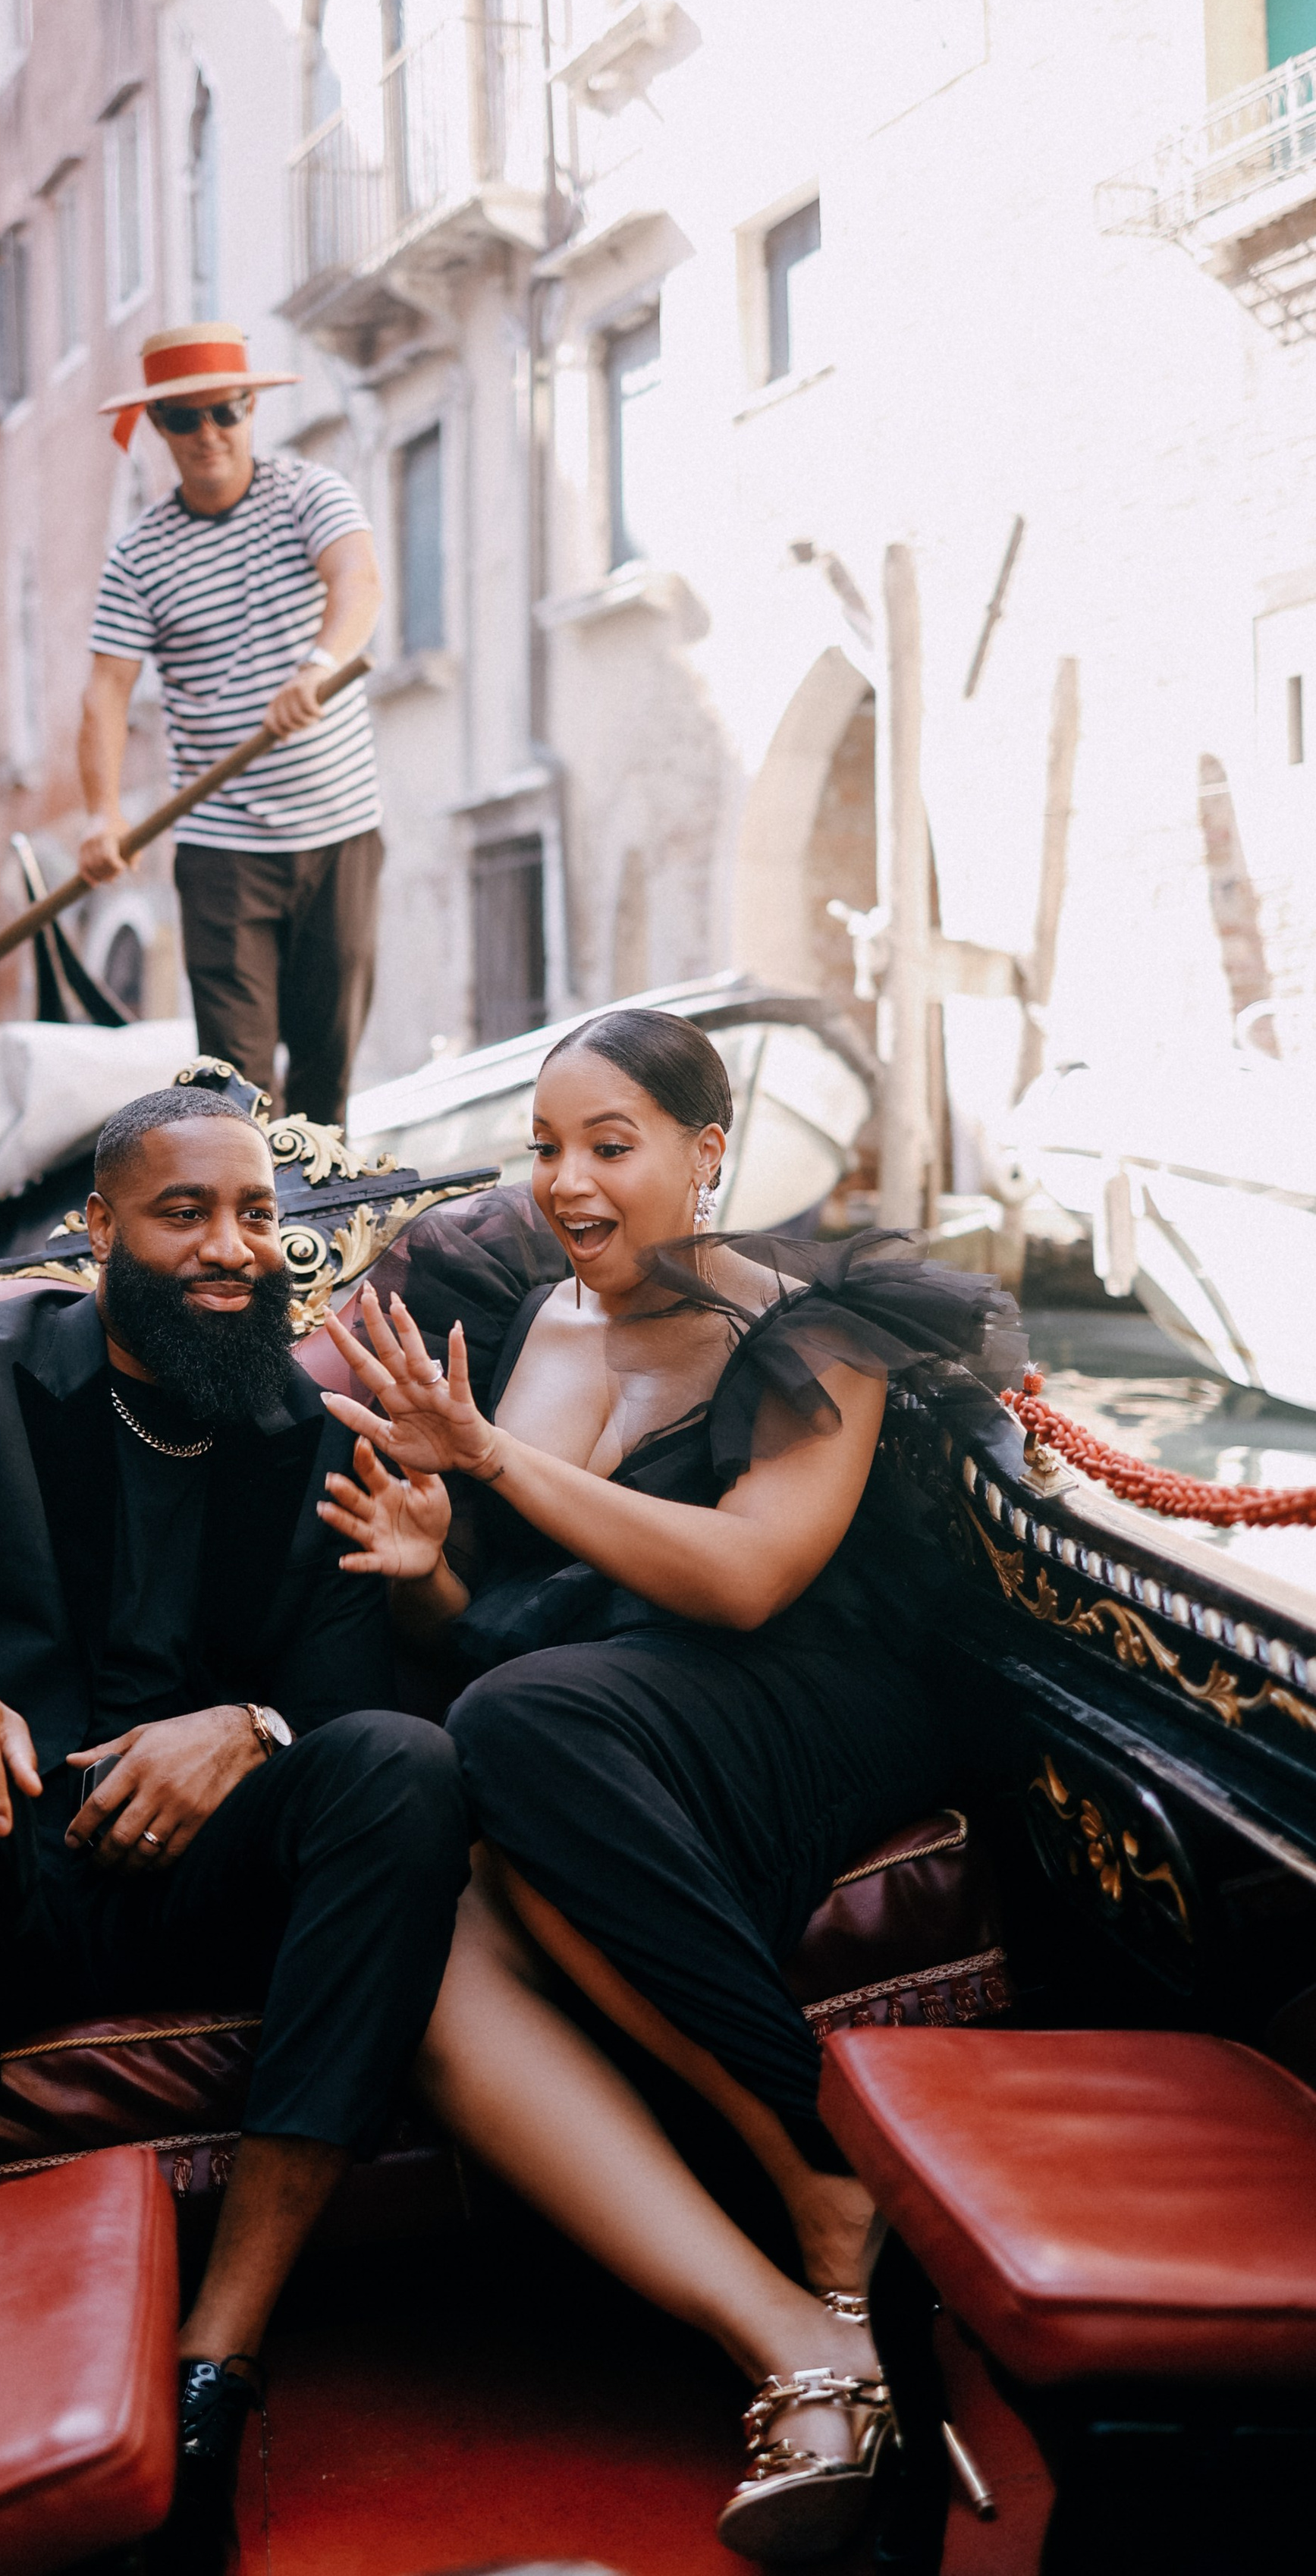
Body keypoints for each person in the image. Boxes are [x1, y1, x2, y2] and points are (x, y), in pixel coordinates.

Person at [314, 1009, 1023, 2566]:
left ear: (705, 1154)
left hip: (807, 1698)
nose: (566, 1183)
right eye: (546, 1149)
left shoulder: (807, 1330)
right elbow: (491, 1617)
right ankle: (788, 2335)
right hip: (584, 1710)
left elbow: (750, 1577)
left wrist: (492, 1473)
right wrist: (428, 1568)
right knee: (421, 1930)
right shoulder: (526, 1328)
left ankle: (815, 2175)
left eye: (608, 1146)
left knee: (512, 1728)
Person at [0, 1083, 468, 2573]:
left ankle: (219, 2358)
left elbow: (343, 1704)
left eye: (255, 1219)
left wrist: (249, 1732)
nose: (231, 1249)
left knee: (403, 1773)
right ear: (99, 1230)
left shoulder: (309, 1425)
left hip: (193, 1868)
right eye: (184, 1214)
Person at [80, 324, 385, 1126]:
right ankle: (254, 1238)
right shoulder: (138, 555)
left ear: (252, 408)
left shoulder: (312, 493)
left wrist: (317, 666)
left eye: (226, 410)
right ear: (158, 427)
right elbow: (107, 692)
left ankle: (326, 1233)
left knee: (328, 1060)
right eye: (184, 418)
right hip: (222, 847)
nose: (208, 432)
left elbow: (357, 581)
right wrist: (103, 812)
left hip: (340, 829)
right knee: (237, 1083)